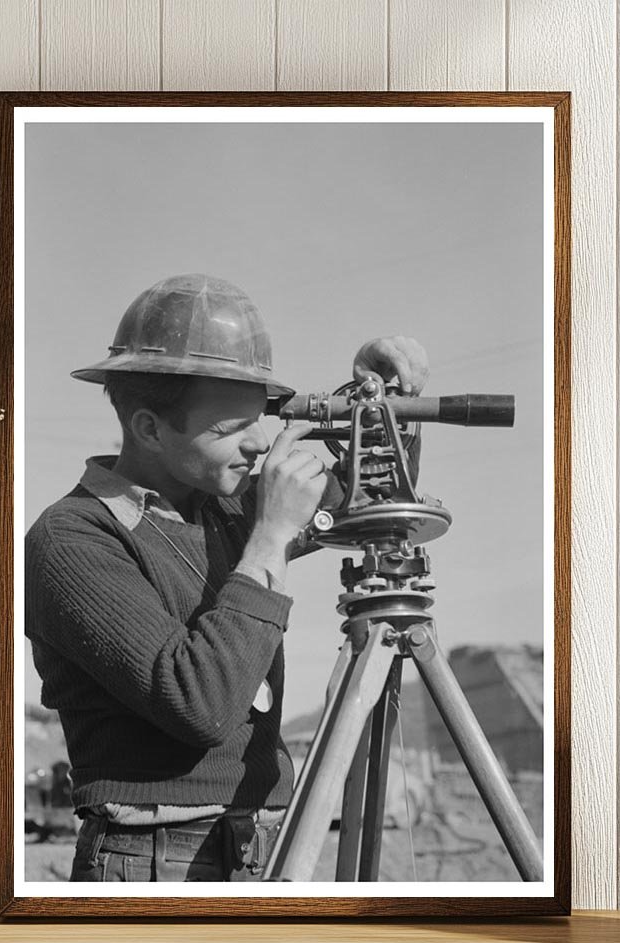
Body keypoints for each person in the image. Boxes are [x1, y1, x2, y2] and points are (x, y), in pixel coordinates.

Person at [25, 274, 428, 882]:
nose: (258, 446)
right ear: (150, 428)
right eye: (229, 430)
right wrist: (270, 536)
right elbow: (199, 704)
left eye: (258, 421)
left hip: (263, 843)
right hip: (154, 859)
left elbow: (373, 501)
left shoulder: (227, 507)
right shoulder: (73, 537)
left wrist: (381, 403)